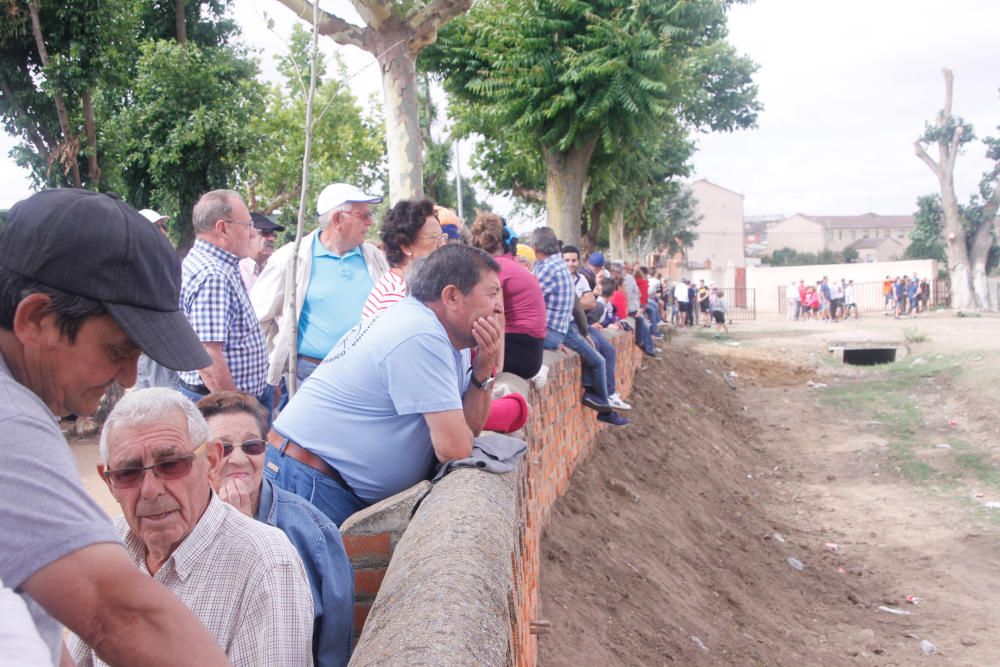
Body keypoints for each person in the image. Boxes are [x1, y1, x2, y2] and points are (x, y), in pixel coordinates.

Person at [0, 189, 230, 666]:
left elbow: (43, 600)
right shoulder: (11, 419)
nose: (128, 377)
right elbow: (119, 614)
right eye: (118, 350)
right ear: (36, 320)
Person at [72, 388, 313, 667]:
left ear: (210, 461)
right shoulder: (106, 550)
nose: (151, 490)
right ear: (108, 481)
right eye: (128, 473)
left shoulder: (266, 562)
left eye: (172, 464)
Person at [266, 245, 504, 525]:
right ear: (451, 296)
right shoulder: (420, 332)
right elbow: (455, 449)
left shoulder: (449, 337)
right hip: (307, 479)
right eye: (492, 294)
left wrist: (484, 369)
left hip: (320, 480)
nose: (499, 307)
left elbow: (467, 431)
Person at [198, 391, 354, 667]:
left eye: (251, 446)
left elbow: (333, 646)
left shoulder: (313, 532)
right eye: (221, 449)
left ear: (265, 451)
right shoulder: (178, 527)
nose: (238, 459)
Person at [252, 183, 388, 388]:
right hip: (311, 376)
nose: (370, 222)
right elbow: (257, 320)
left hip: (368, 374)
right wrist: (265, 379)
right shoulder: (291, 258)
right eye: (364, 215)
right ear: (337, 220)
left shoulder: (374, 257)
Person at [179, 189, 271, 410]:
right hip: (223, 402)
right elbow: (208, 356)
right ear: (222, 228)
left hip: (230, 396)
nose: (252, 233)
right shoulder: (213, 274)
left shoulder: (213, 265)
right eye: (248, 225)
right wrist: (235, 409)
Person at [532, 227, 617, 418]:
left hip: (553, 331)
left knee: (598, 358)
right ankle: (601, 400)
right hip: (564, 328)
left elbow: (529, 300)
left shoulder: (547, 268)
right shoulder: (556, 266)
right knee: (597, 359)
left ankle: (601, 401)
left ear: (536, 248)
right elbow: (577, 305)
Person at [470, 212, 546, 379]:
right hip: (531, 350)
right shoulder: (510, 264)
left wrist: (498, 365)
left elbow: (499, 315)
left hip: (521, 352)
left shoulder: (495, 268)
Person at [362, 198, 446, 320]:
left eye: (442, 237)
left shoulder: (416, 285)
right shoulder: (396, 297)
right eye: (434, 237)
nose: (442, 245)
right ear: (406, 247)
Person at [239, 212, 286, 291]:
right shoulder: (238, 272)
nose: (272, 238)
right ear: (248, 235)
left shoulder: (275, 268)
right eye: (265, 233)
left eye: (274, 234)